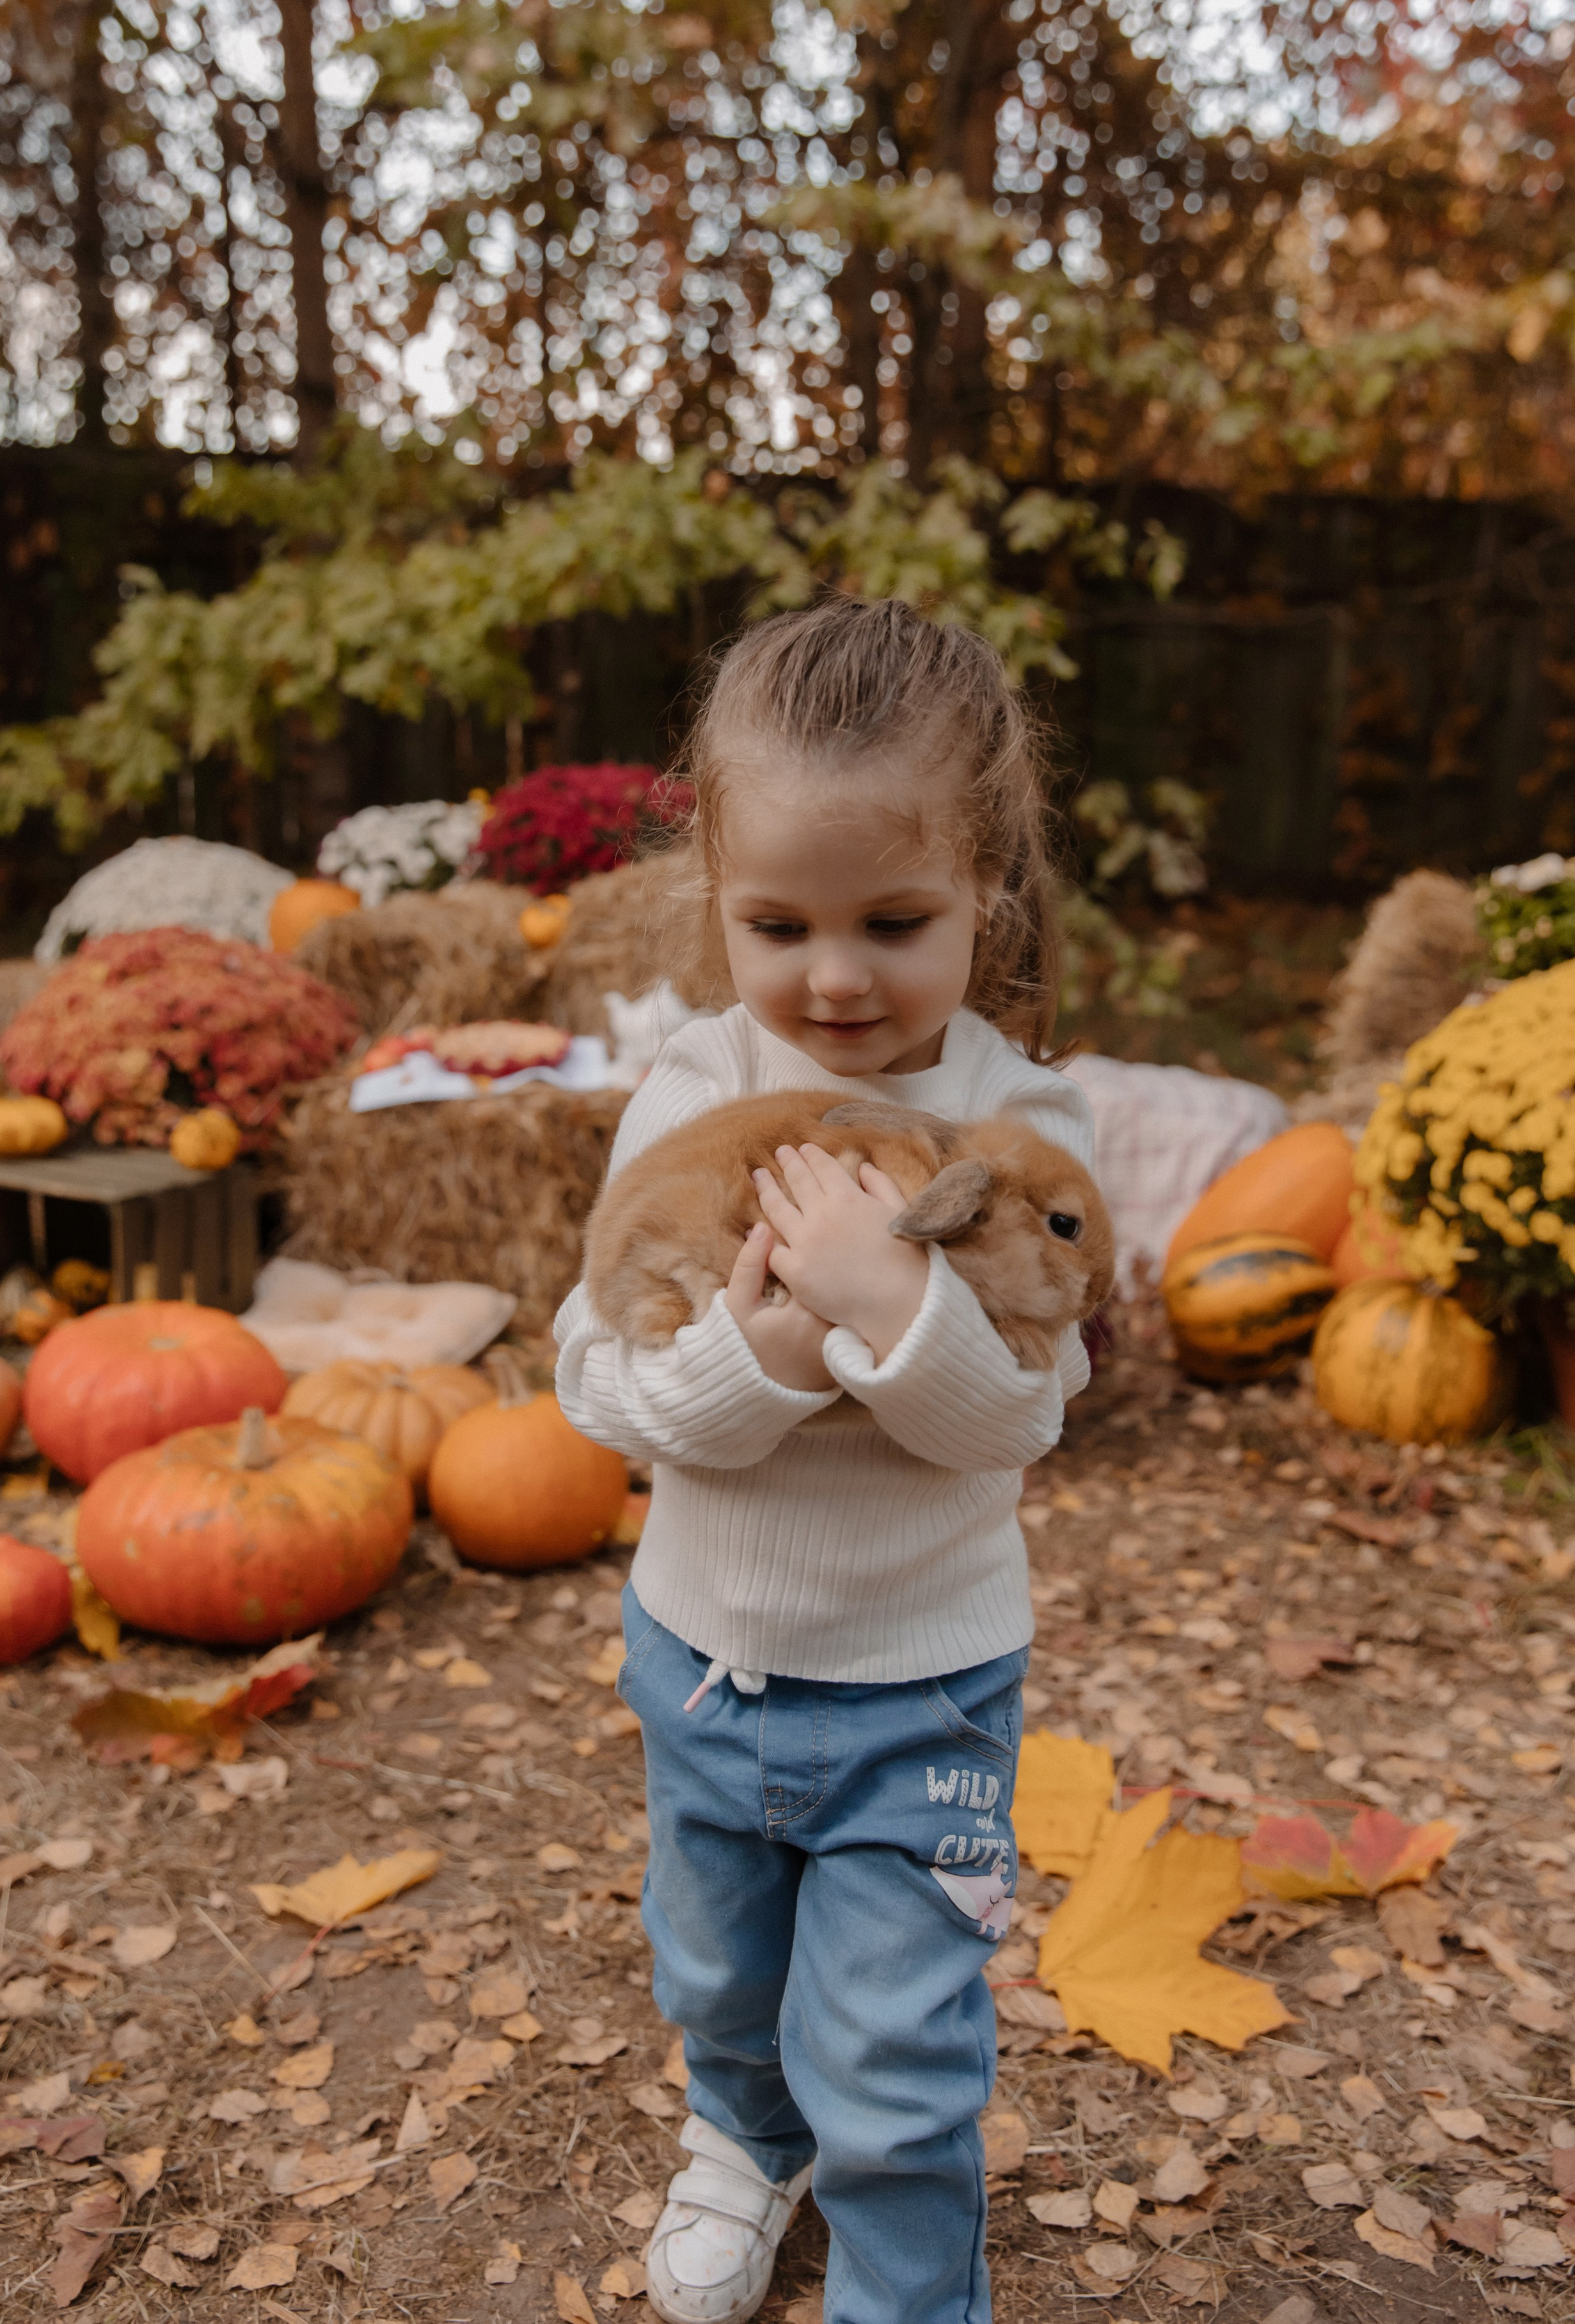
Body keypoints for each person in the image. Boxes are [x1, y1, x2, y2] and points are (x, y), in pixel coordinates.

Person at [553, 596, 1094, 2324]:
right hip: (704, 1660)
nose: (837, 976)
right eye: (779, 922)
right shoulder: (690, 1095)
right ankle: (743, 2134)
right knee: (716, 1967)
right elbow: (593, 1386)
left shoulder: (1030, 1122)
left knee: (901, 2039)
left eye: (896, 920)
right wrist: (764, 1363)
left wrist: (886, 1310)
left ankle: (907, 2292)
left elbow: (1026, 1411)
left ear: (987, 889)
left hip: (923, 1689)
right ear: (709, 879)